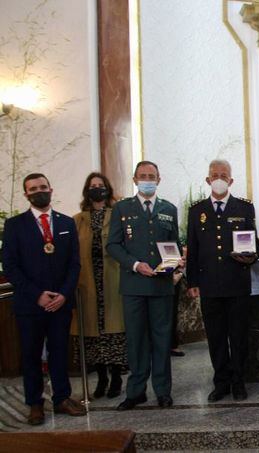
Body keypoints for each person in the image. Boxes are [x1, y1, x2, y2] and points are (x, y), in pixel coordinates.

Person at [1, 173, 85, 425]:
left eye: (43, 187)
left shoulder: (66, 223)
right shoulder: (15, 225)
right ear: (26, 194)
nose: (39, 191)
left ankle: (61, 398)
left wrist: (63, 294)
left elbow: (74, 264)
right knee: (31, 354)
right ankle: (35, 403)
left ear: (51, 189)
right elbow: (11, 266)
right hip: (30, 303)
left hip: (60, 301)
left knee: (60, 352)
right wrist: (37, 295)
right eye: (33, 189)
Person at [107, 161, 180, 410]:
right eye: (143, 176)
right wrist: (135, 264)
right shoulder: (122, 208)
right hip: (134, 286)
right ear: (135, 179)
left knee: (162, 340)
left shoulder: (168, 209)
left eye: (152, 176)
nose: (147, 179)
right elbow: (113, 245)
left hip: (161, 286)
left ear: (159, 179)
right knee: (136, 341)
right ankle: (136, 391)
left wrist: (175, 262)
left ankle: (162, 390)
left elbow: (172, 245)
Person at [186, 159, 258, 402]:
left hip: (237, 282)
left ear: (231, 180)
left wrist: (250, 258)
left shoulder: (244, 208)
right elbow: (193, 250)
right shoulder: (197, 211)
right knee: (216, 337)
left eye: (224, 174)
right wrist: (192, 281)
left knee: (238, 336)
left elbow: (253, 244)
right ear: (208, 180)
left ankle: (239, 382)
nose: (219, 178)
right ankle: (221, 382)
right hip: (209, 285)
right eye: (215, 174)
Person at [71, 172, 127, 399]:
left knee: (114, 332)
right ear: (87, 190)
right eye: (92, 186)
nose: (97, 189)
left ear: (107, 189)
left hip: (112, 282)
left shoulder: (118, 216)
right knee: (93, 335)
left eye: (100, 185)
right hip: (87, 284)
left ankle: (115, 378)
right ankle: (101, 378)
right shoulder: (77, 220)